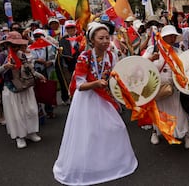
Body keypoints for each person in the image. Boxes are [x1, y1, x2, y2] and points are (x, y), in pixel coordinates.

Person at [53, 22, 138, 185]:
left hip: (104, 96)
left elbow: (115, 75)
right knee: (88, 133)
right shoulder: (84, 57)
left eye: (107, 37)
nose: (106, 41)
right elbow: (80, 85)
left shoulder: (111, 55)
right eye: (101, 38)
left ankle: (109, 164)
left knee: (115, 128)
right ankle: (89, 166)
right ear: (92, 40)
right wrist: (96, 84)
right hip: (87, 99)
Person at [0, 31, 46, 148]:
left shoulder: (22, 55)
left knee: (31, 110)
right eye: (13, 45)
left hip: (25, 86)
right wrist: (4, 67)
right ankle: (19, 136)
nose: (16, 48)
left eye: (18, 45)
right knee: (16, 114)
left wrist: (39, 76)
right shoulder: (1, 56)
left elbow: (30, 70)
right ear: (7, 44)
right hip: (12, 89)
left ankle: (31, 132)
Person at [148, 25, 189, 149]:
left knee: (181, 113)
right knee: (159, 113)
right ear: (163, 37)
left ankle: (187, 134)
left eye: (174, 36)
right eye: (170, 36)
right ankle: (155, 132)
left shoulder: (178, 52)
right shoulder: (152, 50)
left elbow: (187, 68)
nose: (173, 38)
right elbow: (141, 66)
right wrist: (151, 59)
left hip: (175, 89)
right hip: (157, 89)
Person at [31, 29, 57, 119]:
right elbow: (28, 60)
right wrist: (36, 60)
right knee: (36, 92)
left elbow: (55, 58)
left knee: (47, 91)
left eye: (40, 36)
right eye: (36, 36)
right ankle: (39, 112)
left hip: (47, 71)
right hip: (35, 72)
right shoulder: (30, 47)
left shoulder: (49, 47)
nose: (38, 38)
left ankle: (49, 110)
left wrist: (50, 62)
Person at [55, 20, 81, 105]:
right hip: (67, 65)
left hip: (80, 65)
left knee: (80, 82)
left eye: (72, 27)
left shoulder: (81, 38)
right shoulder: (62, 40)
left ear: (75, 28)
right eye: (68, 28)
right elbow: (61, 54)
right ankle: (72, 98)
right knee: (69, 82)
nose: (70, 29)